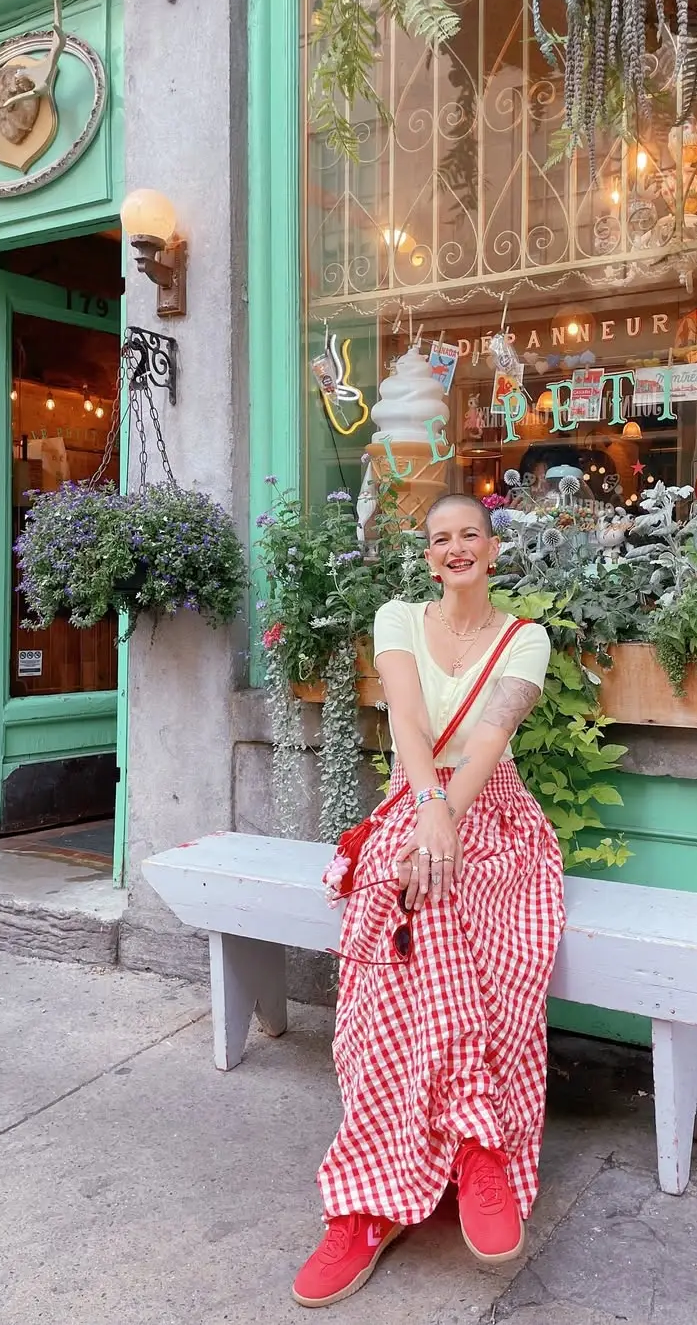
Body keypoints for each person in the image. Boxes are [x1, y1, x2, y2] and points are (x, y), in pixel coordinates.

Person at [292, 494, 566, 1309]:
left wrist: (448, 817)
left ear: (493, 548)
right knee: (408, 907)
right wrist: (428, 810)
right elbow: (408, 721)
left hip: (498, 814)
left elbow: (490, 737)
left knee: (430, 901)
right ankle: (464, 1152)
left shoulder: (526, 638)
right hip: (414, 801)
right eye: (441, 538)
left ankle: (383, 1198)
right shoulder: (398, 619)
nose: (456, 548)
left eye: (469, 535)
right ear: (428, 555)